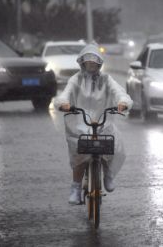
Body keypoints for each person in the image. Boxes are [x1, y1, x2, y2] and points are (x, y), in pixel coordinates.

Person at [54, 42, 133, 205]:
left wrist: (123, 103)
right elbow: (64, 95)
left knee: (112, 144)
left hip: (103, 121)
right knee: (79, 153)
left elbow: (119, 92)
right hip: (80, 123)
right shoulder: (75, 79)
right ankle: (75, 187)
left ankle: (108, 173)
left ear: (99, 63)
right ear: (82, 62)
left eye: (94, 61)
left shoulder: (106, 79)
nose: (91, 64)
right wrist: (64, 104)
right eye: (88, 61)